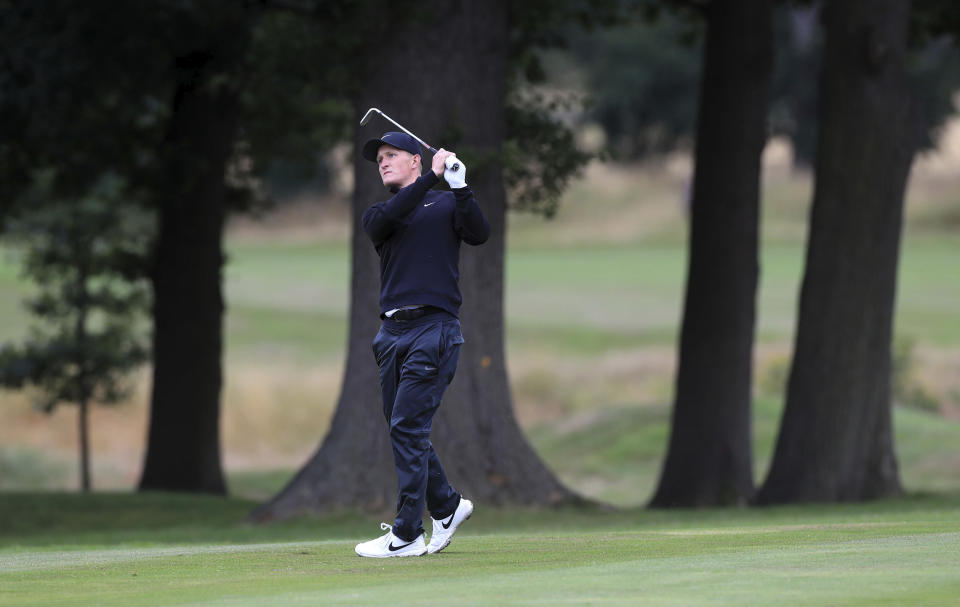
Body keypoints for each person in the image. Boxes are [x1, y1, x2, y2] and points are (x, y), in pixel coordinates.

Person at [354, 131, 489, 558]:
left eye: (391, 155)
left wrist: (460, 185)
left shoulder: (448, 202)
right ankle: (447, 507)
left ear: (416, 159)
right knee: (405, 430)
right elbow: (390, 218)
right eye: (379, 159)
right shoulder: (381, 213)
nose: (383, 163)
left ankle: (407, 533)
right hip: (392, 334)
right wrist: (431, 180)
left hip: (434, 328)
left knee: (407, 428)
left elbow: (479, 233)